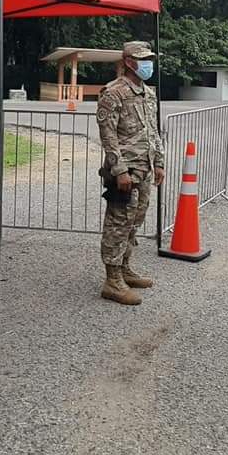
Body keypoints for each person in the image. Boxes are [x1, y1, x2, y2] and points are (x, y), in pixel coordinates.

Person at [96, 41, 165, 305]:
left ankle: (125, 267)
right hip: (124, 171)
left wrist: (159, 161)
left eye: (149, 58)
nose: (147, 63)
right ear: (128, 62)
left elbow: (152, 130)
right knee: (117, 223)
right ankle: (112, 281)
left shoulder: (147, 93)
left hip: (145, 168)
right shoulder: (113, 93)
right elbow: (108, 135)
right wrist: (119, 169)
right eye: (142, 58)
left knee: (134, 221)